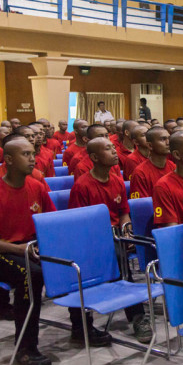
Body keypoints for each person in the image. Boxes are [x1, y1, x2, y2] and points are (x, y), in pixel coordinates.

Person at [0, 138, 111, 365]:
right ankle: (26, 348)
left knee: (70, 262)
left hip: (31, 248)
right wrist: (18, 249)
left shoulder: (37, 187)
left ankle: (80, 327)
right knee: (31, 275)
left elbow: (50, 223)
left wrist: (52, 246)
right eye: (25, 154)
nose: (32, 158)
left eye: (32, 153)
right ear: (9, 160)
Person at [68, 137, 152, 343]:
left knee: (135, 248)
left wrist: (127, 229)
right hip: (91, 238)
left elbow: (123, 211)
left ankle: (135, 311)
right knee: (120, 262)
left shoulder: (115, 179)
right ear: (95, 157)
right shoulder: (82, 186)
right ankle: (137, 317)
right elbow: (79, 223)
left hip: (115, 235)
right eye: (108, 149)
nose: (115, 152)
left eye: (114, 147)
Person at [129, 127, 175, 199]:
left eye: (169, 138)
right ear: (150, 145)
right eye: (163, 139)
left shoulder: (173, 166)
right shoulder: (140, 173)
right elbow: (143, 206)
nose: (168, 142)